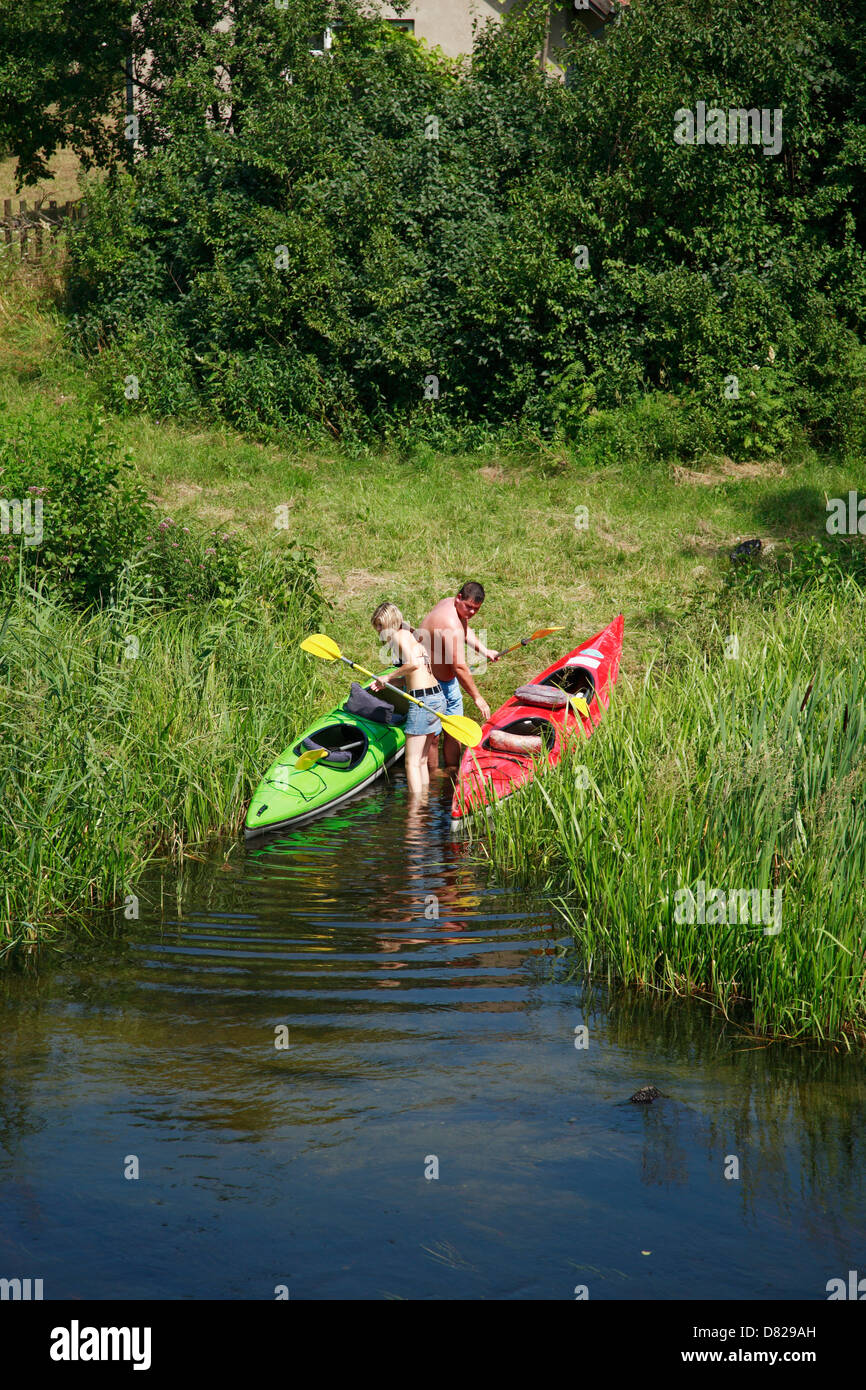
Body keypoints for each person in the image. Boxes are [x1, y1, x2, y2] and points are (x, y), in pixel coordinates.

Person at [417, 581, 499, 775]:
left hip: (448, 683)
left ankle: (452, 772)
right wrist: (477, 697)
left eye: (476, 609)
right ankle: (435, 777)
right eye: (468, 607)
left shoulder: (454, 608)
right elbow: (460, 667)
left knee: (455, 730)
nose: (471, 612)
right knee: (433, 737)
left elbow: (464, 629)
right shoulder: (449, 622)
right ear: (459, 598)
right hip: (429, 683)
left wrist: (484, 650)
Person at [370, 601, 447, 799]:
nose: (378, 630)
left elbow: (412, 664)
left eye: (380, 625)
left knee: (411, 762)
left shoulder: (397, 636)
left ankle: (414, 815)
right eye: (376, 626)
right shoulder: (408, 636)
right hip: (436, 696)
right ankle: (424, 807)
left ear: (390, 622)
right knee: (420, 761)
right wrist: (391, 681)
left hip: (422, 702)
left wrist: (387, 676)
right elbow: (415, 672)